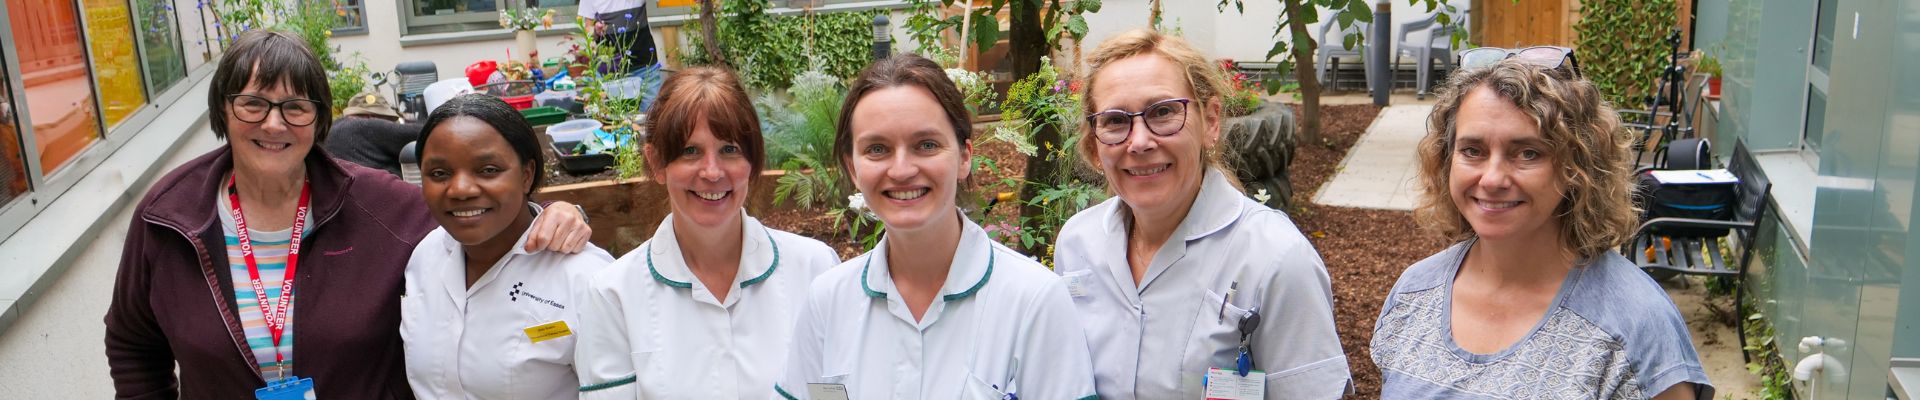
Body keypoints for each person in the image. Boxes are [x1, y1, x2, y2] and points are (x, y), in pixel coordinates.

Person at [103, 31, 592, 399]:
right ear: (222, 110)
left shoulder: (381, 207)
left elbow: (473, 213)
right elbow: (132, 344)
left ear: (320, 119)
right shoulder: (169, 217)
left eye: (295, 107)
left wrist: (553, 212)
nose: (273, 124)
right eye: (252, 104)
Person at [1370, 49, 1713, 399]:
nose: (1492, 179)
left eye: (1528, 153)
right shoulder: (1413, 294)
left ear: (1578, 169)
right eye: (1472, 150)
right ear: (1446, 161)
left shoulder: (1635, 325)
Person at [772, 54, 1097, 400]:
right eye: (877, 149)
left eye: (926, 145)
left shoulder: (1034, 300)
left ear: (964, 156)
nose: (901, 170)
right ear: (853, 169)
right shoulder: (828, 302)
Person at [1051, 28, 1349, 399]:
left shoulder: (1276, 259)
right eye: (1115, 120)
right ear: (1093, 144)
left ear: (1210, 122)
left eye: (1163, 112)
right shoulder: (1078, 244)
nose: (1139, 142)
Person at [571, 66, 841, 398]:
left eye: (730, 150)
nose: (712, 172)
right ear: (656, 163)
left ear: (753, 161)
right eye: (690, 151)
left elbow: (831, 392)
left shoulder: (815, 269)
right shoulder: (614, 294)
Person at [400, 94, 614, 399]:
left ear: (526, 175)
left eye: (488, 170)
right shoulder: (425, 257)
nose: (461, 190)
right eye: (439, 174)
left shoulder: (584, 279)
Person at [325, 92, 418, 176]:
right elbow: (421, 133)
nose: (390, 124)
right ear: (372, 117)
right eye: (387, 120)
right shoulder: (363, 126)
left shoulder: (333, 128)